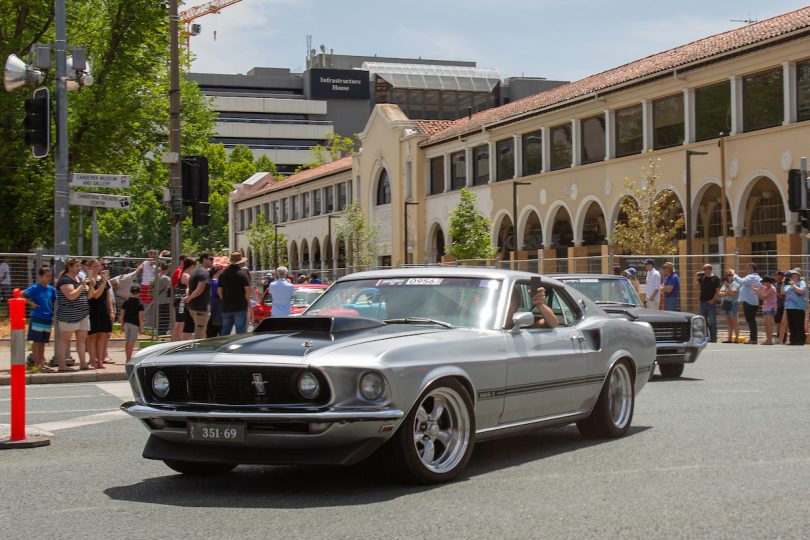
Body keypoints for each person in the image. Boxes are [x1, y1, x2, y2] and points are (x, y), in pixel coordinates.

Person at [54, 257, 92, 371]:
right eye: (77, 266)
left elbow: (89, 296)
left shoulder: (79, 278)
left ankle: (83, 363)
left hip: (83, 313)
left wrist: (90, 285)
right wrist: (82, 284)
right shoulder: (65, 280)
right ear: (69, 267)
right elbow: (71, 296)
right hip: (68, 315)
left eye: (80, 266)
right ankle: (62, 365)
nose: (79, 268)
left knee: (81, 339)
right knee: (65, 340)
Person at [22, 266, 57, 373]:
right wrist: (31, 303)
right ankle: (37, 365)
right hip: (37, 317)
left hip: (47, 317)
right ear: (41, 276)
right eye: (46, 276)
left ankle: (41, 363)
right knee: (37, 342)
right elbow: (22, 295)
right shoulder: (35, 288)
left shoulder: (51, 289)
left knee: (43, 342)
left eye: (50, 276)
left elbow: (54, 301)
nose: (49, 278)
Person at [86, 259, 114, 369]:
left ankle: (100, 360)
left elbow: (108, 297)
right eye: (95, 266)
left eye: (99, 266)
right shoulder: (88, 281)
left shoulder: (104, 280)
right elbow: (94, 295)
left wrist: (111, 310)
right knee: (92, 336)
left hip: (103, 310)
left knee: (102, 335)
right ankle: (93, 360)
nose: (97, 268)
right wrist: (103, 283)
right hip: (92, 309)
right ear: (90, 267)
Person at [218, 252, 253, 335]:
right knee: (240, 333)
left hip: (226, 307)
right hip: (240, 307)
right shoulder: (242, 274)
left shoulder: (223, 274)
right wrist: (245, 300)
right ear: (240, 262)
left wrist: (225, 300)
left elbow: (219, 291)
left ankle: (223, 347)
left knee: (225, 333)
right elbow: (248, 290)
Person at [183, 252, 213, 339]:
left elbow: (189, 287)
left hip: (192, 307)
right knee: (200, 332)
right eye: (210, 259)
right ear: (204, 260)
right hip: (200, 308)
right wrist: (189, 298)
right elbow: (199, 289)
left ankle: (201, 350)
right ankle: (197, 351)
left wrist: (189, 298)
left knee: (200, 331)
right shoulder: (204, 273)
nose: (212, 261)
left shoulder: (194, 272)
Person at [731, 262, 761, 344]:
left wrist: (734, 274)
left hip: (750, 302)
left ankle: (753, 339)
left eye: (747, 268)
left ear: (752, 269)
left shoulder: (751, 277)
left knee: (751, 320)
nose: (746, 269)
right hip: (751, 301)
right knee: (751, 320)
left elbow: (741, 281)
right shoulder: (755, 277)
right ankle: (753, 338)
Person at [696, 263, 721, 343]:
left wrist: (713, 300)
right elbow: (696, 287)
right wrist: (695, 277)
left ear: (709, 269)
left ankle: (713, 339)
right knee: (702, 321)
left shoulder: (715, 278)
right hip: (703, 302)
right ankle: (704, 338)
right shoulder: (702, 278)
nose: (703, 271)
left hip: (711, 303)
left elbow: (717, 291)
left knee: (712, 322)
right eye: (703, 269)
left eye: (705, 269)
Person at [173, 257, 196, 341]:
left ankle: (176, 339)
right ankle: (176, 340)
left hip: (180, 300)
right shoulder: (186, 275)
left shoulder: (184, 274)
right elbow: (190, 286)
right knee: (180, 321)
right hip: (181, 301)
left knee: (180, 320)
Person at [783, 267, 807, 346]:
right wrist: (784, 283)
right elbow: (783, 292)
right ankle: (793, 340)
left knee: (799, 324)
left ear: (798, 275)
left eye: (794, 274)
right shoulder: (789, 284)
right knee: (791, 324)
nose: (792, 275)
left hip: (799, 307)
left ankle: (800, 340)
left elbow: (801, 291)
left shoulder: (801, 282)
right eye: (792, 274)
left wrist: (793, 285)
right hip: (789, 307)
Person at [120, 284, 144, 361]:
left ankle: (127, 358)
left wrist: (122, 324)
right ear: (139, 292)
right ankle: (129, 359)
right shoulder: (140, 304)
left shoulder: (126, 302)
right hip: (135, 324)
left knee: (127, 341)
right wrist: (141, 327)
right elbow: (141, 317)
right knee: (131, 342)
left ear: (130, 291)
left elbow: (122, 314)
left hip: (126, 323)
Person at [718, 269, 740, 343]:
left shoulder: (736, 283)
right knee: (729, 322)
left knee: (735, 322)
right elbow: (720, 294)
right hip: (726, 303)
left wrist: (727, 288)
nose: (728, 276)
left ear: (733, 275)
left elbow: (733, 294)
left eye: (730, 274)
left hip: (733, 304)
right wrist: (726, 292)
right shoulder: (725, 284)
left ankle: (737, 339)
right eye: (727, 274)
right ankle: (729, 339)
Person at [153, 263, 172, 336]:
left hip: (159, 300)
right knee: (165, 317)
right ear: (167, 269)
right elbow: (171, 286)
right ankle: (163, 333)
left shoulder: (156, 277)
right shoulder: (165, 278)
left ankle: (160, 332)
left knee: (160, 317)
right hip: (165, 300)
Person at [757, 276, 777, 345]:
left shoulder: (772, 288)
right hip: (765, 307)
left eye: (764, 282)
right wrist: (757, 291)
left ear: (768, 282)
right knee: (766, 325)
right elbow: (761, 297)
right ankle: (767, 339)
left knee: (769, 324)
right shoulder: (764, 288)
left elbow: (764, 297)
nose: (763, 284)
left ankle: (770, 340)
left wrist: (758, 292)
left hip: (771, 308)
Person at [207, 264, 223, 338]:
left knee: (210, 330)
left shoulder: (208, 282)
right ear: (218, 272)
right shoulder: (218, 283)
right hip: (218, 307)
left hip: (209, 306)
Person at [774, 271, 788, 344]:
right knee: (777, 323)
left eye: (777, 275)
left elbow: (782, 296)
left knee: (783, 323)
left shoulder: (784, 284)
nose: (776, 277)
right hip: (777, 305)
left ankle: (784, 338)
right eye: (775, 275)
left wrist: (774, 293)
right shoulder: (776, 284)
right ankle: (778, 337)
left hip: (782, 305)